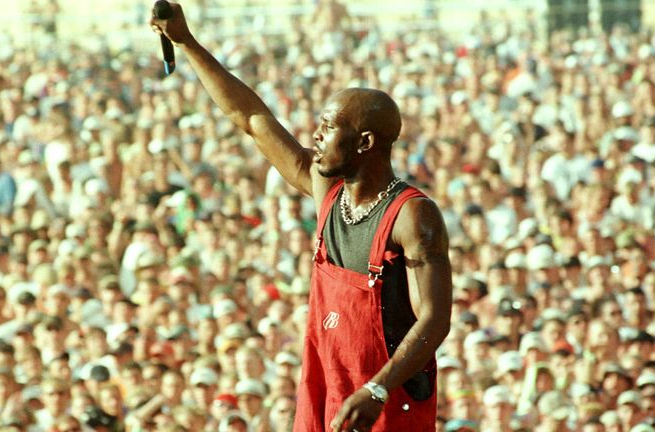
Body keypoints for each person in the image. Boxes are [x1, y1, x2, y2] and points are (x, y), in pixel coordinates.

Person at [150, 3, 453, 431]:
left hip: (387, 400)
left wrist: (378, 389)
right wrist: (188, 43)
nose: (316, 136)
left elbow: (436, 319)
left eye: (328, 127)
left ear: (365, 141)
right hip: (327, 385)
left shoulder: (412, 215)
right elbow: (252, 119)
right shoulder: (328, 189)